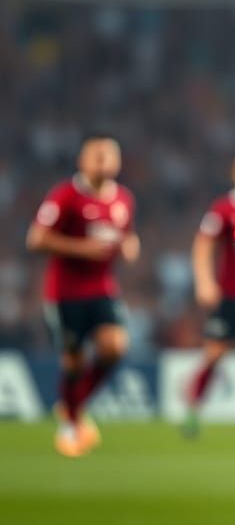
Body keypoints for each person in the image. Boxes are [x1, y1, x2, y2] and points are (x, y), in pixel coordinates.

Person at [26, 133, 139, 457]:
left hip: (102, 289)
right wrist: (81, 248)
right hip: (65, 292)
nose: (104, 160)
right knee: (73, 361)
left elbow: (125, 236)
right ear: (83, 160)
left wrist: (130, 245)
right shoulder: (65, 196)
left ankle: (72, 407)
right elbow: (36, 239)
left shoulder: (123, 200)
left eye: (109, 155)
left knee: (114, 347)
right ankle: (72, 421)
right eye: (97, 154)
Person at [182, 152, 235, 438]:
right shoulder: (225, 207)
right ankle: (192, 408)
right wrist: (204, 281)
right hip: (230, 295)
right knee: (215, 353)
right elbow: (204, 243)